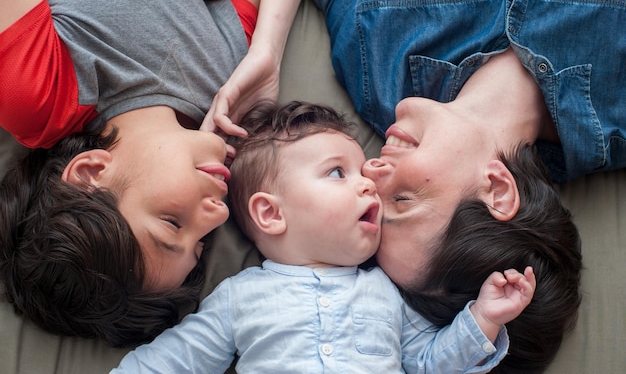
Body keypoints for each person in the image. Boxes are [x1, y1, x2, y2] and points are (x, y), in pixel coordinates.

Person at [201, 0, 607, 372]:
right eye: (404, 199)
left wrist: (267, 48)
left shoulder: (375, 67)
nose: (373, 171)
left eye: (376, 202)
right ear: (497, 189)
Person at [111, 100, 536, 374]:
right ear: (271, 213)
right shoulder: (238, 299)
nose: (369, 182)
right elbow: (172, 362)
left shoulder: (386, 292)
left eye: (361, 168)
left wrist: (483, 318)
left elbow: (429, 363)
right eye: (338, 172)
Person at [0, 0, 265, 347]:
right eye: (200, 243)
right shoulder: (231, 84)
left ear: (90, 173)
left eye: (173, 224)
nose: (219, 215)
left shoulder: (42, 99)